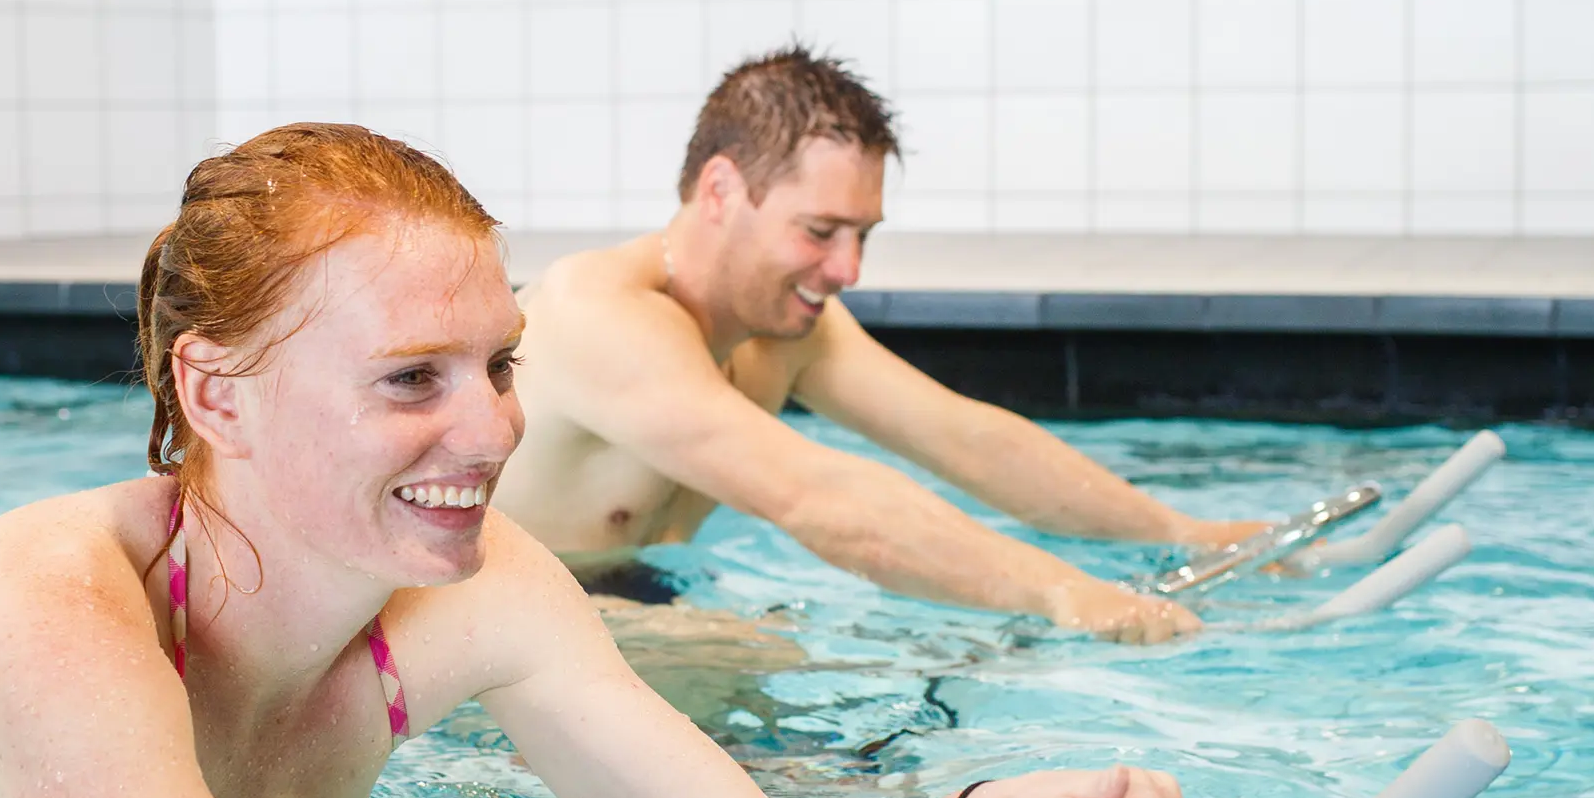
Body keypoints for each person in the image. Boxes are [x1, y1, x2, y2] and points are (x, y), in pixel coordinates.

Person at [0, 123, 1186, 798]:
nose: (491, 434)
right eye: (410, 380)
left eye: (499, 365)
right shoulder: (50, 610)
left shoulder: (489, 597)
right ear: (213, 391)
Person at [493, 49, 1268, 645]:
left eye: (862, 235)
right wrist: (1059, 592)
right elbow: (819, 498)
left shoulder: (783, 329)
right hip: (502, 650)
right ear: (722, 191)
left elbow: (967, 440)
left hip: (633, 609)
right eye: (821, 232)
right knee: (771, 654)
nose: (849, 269)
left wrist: (1183, 533)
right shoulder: (600, 314)